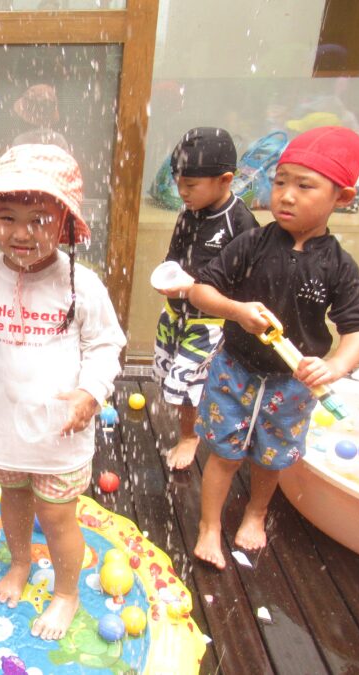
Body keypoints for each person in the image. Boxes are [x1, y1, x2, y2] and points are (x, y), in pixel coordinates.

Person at [0, 144, 125, 640]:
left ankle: (66, 593)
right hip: (4, 423)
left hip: (60, 430)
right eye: (7, 218)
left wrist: (91, 393)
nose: (21, 233)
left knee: (57, 516)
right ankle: (21, 562)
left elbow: (107, 345)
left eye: (39, 220)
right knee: (14, 499)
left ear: (64, 223)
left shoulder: (80, 284)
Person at [189, 126, 359, 569]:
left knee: (270, 458)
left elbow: (358, 330)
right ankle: (209, 526)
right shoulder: (253, 243)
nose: (286, 196)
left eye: (304, 186)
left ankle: (255, 513)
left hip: (292, 384)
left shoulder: (338, 266)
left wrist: (336, 366)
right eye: (280, 182)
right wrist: (235, 310)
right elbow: (199, 291)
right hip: (235, 369)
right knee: (224, 454)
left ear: (342, 197)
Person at [152, 128, 258, 471]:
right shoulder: (188, 213)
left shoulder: (240, 223)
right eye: (178, 183)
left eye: (190, 185)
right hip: (176, 313)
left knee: (186, 383)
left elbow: (247, 282)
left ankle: (190, 436)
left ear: (225, 180)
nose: (181, 192)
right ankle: (196, 419)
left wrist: (196, 289)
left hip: (209, 322)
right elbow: (174, 257)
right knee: (168, 375)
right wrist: (167, 276)